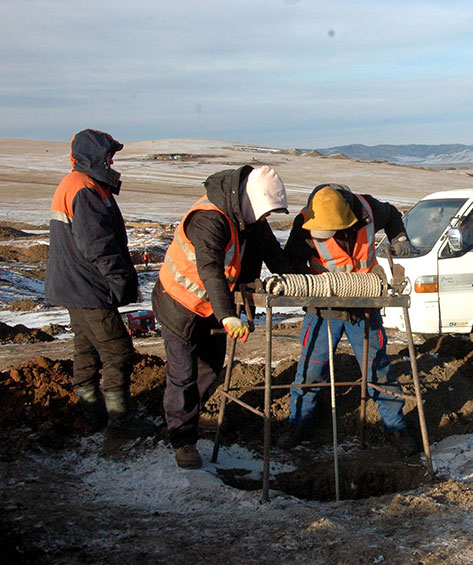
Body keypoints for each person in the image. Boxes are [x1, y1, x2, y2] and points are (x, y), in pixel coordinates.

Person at [153, 165, 293, 469]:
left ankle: (187, 415)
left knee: (211, 366)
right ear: (250, 201)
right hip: (179, 303)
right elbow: (211, 271)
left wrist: (308, 284)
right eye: (265, 214)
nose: (265, 221)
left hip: (211, 308)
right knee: (183, 374)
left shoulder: (247, 215)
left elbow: (273, 253)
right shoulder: (209, 218)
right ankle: (182, 440)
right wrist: (229, 316)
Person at [279, 183, 418, 456]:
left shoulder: (367, 209)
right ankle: (299, 424)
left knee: (377, 368)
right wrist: (302, 288)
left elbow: (391, 216)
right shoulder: (306, 221)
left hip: (363, 307)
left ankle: (396, 427)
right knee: (310, 370)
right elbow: (291, 263)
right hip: (322, 310)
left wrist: (399, 238)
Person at [45, 129, 141, 436]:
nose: (112, 162)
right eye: (108, 156)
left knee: (85, 349)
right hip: (89, 288)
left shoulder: (76, 184)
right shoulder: (85, 189)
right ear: (95, 157)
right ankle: (118, 422)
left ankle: (91, 414)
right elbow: (98, 244)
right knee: (118, 352)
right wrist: (120, 281)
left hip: (74, 286)